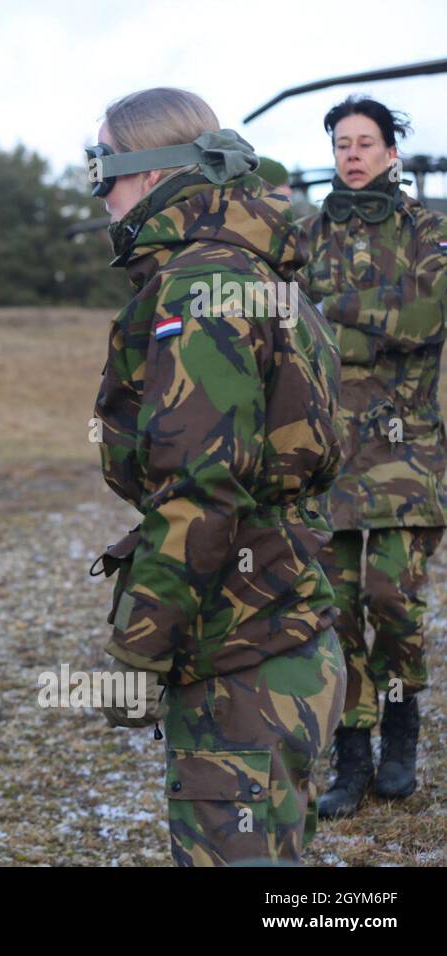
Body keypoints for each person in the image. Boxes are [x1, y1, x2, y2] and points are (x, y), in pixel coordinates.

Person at [87, 88, 346, 866]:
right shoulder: (262, 275)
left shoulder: (201, 289)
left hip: (243, 652)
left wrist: (138, 651)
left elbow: (203, 489)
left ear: (152, 173)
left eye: (104, 171)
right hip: (286, 631)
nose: (100, 194)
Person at [300, 96, 447, 818]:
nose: (352, 154)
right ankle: (350, 759)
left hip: (405, 457)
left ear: (392, 153)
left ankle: (402, 736)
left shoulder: (429, 229)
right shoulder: (309, 233)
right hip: (327, 455)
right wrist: (366, 317)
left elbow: (427, 319)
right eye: (341, 144)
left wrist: (340, 312)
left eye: (365, 143)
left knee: (392, 600)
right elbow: (294, 329)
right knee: (337, 610)